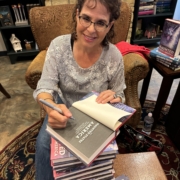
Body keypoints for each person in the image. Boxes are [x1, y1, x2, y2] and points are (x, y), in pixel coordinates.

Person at [33, 0, 126, 179]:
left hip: (96, 114)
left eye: (100, 22)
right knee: (44, 144)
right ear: (77, 15)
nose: (91, 29)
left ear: (110, 26)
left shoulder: (113, 55)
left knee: (102, 154)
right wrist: (50, 107)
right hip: (64, 107)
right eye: (86, 18)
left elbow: (119, 93)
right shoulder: (58, 46)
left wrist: (116, 97)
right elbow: (44, 88)